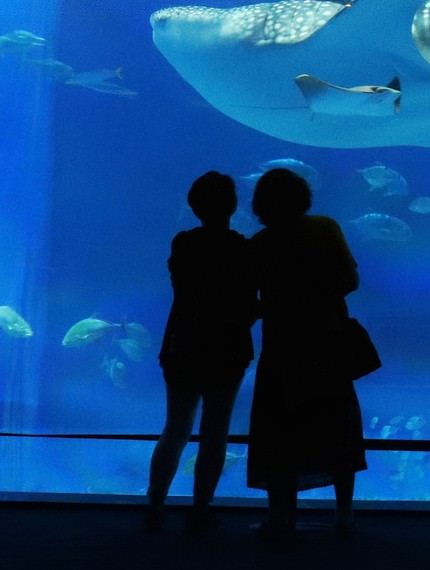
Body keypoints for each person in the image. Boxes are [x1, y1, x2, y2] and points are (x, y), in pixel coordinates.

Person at [245, 168, 366, 537]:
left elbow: (252, 301)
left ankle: (280, 516)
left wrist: (280, 304)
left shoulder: (260, 243)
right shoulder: (325, 228)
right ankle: (343, 514)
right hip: (326, 341)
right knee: (337, 424)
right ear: (303, 197)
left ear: (261, 204)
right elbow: (350, 280)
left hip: (282, 348)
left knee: (279, 430)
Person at [144, 171, 257, 535]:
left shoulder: (183, 244)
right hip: (227, 347)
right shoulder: (242, 248)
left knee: (175, 429)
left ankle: (155, 505)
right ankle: (200, 509)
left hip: (184, 344)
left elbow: (186, 291)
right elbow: (245, 302)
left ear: (193, 207)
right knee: (215, 432)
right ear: (234, 205)